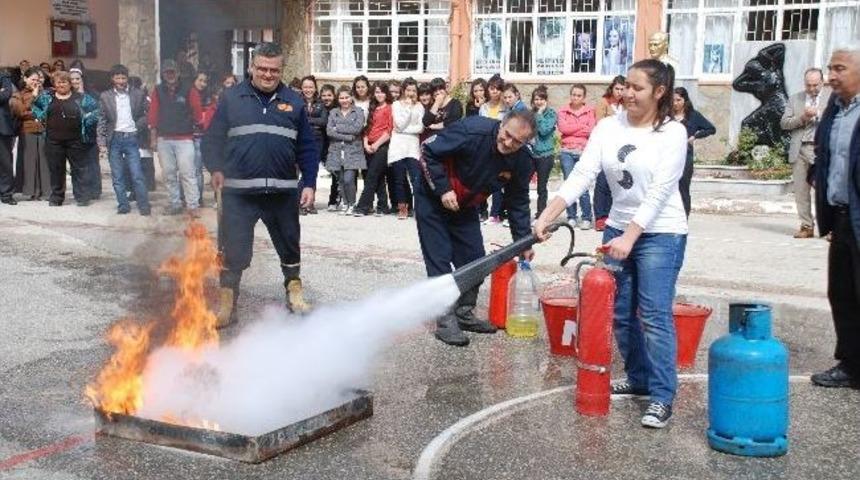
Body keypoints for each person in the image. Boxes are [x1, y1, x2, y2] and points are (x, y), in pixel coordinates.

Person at [535, 59, 688, 429]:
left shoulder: (672, 134)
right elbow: (582, 175)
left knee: (653, 314)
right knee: (621, 313)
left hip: (661, 233)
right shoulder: (607, 126)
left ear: (659, 92)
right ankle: (637, 378)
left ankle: (662, 395)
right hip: (617, 229)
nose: (627, 93)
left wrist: (630, 237)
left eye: (637, 87)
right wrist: (546, 213)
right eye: (625, 86)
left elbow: (659, 192)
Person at [203, 42, 318, 324]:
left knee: (289, 245)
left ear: (281, 70)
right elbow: (213, 139)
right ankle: (228, 302)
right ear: (252, 67)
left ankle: (294, 292)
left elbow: (307, 146)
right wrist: (215, 168)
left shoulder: (295, 101)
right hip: (239, 194)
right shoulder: (231, 98)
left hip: (282, 192)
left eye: (274, 70)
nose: (268, 75)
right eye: (262, 69)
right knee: (233, 249)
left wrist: (309, 182)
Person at [418, 111, 537, 346]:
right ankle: (445, 320)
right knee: (439, 258)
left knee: (475, 259)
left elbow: (518, 201)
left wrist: (524, 241)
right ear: (501, 125)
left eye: (517, 142)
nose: (508, 143)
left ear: (526, 142)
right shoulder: (473, 130)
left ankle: (463, 312)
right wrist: (442, 188)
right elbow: (427, 150)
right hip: (433, 197)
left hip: (465, 204)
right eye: (506, 135)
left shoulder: (522, 160)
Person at [810, 47, 860, 389]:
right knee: (841, 292)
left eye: (839, 68)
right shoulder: (835, 109)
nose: (832, 75)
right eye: (830, 68)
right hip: (842, 218)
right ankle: (851, 364)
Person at [32, 70, 99, 207]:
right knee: (56, 170)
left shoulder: (81, 97)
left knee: (79, 169)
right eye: (58, 82)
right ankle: (56, 197)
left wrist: (87, 120)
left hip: (76, 140)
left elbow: (97, 110)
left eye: (64, 82)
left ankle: (81, 197)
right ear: (54, 84)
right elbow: (35, 106)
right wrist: (40, 117)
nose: (61, 84)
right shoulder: (47, 97)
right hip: (53, 141)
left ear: (70, 84)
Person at [781, 68, 830, 238]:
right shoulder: (795, 99)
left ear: (822, 82)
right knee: (801, 191)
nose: (812, 89)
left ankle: (830, 228)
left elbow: (839, 118)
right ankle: (806, 226)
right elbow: (784, 123)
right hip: (800, 149)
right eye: (808, 85)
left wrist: (819, 113)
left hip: (822, 149)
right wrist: (802, 118)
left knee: (824, 190)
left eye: (815, 85)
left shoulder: (832, 97)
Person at [97, 64, 151, 216]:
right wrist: (101, 143)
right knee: (117, 175)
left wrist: (137, 125)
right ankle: (123, 204)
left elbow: (148, 113)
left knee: (137, 174)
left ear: (127, 79)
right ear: (112, 79)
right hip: (114, 138)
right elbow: (101, 120)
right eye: (117, 77)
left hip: (131, 137)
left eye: (123, 77)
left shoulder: (137, 94)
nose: (121, 80)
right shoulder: (105, 96)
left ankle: (143, 204)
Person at [148, 59, 200, 216]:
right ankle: (174, 203)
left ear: (178, 73)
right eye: (167, 72)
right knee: (169, 174)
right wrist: (153, 138)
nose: (170, 75)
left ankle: (192, 205)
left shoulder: (188, 90)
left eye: (173, 72)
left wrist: (197, 128)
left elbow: (197, 112)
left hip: (184, 139)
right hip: (164, 139)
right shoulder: (157, 91)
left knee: (188, 173)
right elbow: (153, 115)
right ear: (163, 74)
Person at [557, 83, 596, 228]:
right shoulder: (563, 111)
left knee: (583, 184)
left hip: (583, 151)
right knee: (569, 183)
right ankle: (571, 216)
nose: (575, 98)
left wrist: (572, 129)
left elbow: (591, 130)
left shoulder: (589, 111)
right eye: (573, 94)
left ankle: (586, 217)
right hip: (567, 151)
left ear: (584, 97)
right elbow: (563, 128)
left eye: (579, 95)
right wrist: (581, 127)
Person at [672, 87, 716, 218]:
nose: (675, 103)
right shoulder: (668, 115)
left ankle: (684, 217)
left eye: (678, 100)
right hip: (669, 155)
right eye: (673, 100)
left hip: (686, 156)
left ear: (685, 100)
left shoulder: (693, 115)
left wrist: (695, 136)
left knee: (683, 187)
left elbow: (711, 129)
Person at [10, 67, 50, 200]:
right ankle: (31, 191)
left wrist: (33, 113)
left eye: (38, 80)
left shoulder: (46, 93)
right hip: (27, 130)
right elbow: (20, 112)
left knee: (44, 161)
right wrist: (33, 96)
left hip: (44, 129)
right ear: (25, 79)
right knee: (30, 161)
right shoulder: (19, 94)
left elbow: (48, 110)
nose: (35, 82)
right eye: (33, 79)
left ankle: (46, 192)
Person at [326, 85, 366, 215]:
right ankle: (345, 203)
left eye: (347, 97)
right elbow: (329, 131)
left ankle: (352, 203)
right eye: (341, 98)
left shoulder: (358, 111)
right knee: (341, 180)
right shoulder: (333, 112)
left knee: (349, 179)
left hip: (352, 150)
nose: (344, 100)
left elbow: (357, 129)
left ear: (351, 98)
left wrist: (338, 128)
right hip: (336, 150)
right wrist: (348, 136)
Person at [593, 75, 627, 230]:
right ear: (612, 88)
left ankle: (613, 215)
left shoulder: (627, 105)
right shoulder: (603, 103)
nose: (619, 92)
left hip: (622, 148)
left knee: (617, 181)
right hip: (606, 145)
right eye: (617, 89)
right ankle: (600, 216)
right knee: (602, 182)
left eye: (622, 89)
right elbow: (600, 123)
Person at [355, 81, 393, 217]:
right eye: (377, 92)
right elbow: (367, 128)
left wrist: (376, 144)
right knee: (378, 177)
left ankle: (362, 207)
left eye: (382, 91)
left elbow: (389, 130)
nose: (380, 94)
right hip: (368, 145)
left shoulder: (390, 108)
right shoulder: (372, 107)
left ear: (386, 93)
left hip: (382, 146)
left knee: (372, 176)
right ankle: (383, 206)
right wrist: (366, 144)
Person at [389, 78, 425, 220]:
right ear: (404, 90)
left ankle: (419, 208)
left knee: (416, 178)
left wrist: (403, 130)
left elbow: (420, 128)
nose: (411, 93)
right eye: (408, 90)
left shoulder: (420, 106)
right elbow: (399, 123)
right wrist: (408, 108)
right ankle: (402, 208)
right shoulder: (396, 105)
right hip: (398, 146)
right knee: (399, 179)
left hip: (412, 146)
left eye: (413, 90)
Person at [69, 67, 102, 200]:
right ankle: (83, 191)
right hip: (73, 135)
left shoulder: (92, 94)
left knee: (93, 163)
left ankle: (95, 190)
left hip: (90, 134)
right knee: (79, 165)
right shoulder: (67, 94)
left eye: (77, 79)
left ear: (82, 79)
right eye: (72, 79)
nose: (75, 81)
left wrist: (82, 93)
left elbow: (97, 112)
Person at [300, 75, 328, 215]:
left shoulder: (321, 103)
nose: (308, 89)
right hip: (301, 140)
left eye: (310, 87)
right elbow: (297, 120)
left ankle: (309, 202)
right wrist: (312, 121)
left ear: (315, 88)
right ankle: (300, 202)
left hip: (317, 140)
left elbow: (323, 121)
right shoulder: (297, 102)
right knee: (302, 171)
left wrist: (306, 120)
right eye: (305, 87)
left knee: (313, 170)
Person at [531, 86, 557, 219]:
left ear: (546, 100)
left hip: (545, 155)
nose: (538, 101)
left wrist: (540, 114)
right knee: (523, 184)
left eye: (541, 99)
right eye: (536, 99)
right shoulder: (531, 113)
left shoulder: (551, 114)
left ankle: (541, 213)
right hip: (531, 153)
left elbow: (544, 131)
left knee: (541, 186)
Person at [189, 71, 213, 206]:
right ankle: (186, 197)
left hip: (201, 137)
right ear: (194, 80)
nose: (203, 84)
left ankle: (198, 198)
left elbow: (207, 118)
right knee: (186, 170)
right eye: (200, 80)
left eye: (205, 81)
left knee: (197, 170)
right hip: (186, 136)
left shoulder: (208, 98)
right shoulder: (187, 95)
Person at [319, 83, 340, 211]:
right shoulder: (318, 107)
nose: (326, 98)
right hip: (321, 144)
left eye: (329, 95)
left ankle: (334, 200)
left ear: (334, 96)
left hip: (334, 144)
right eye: (324, 95)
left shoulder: (337, 109)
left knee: (336, 173)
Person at [0, 68, 17, 205]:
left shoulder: (4, 76)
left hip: (2, 127)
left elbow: (5, 95)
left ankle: (6, 194)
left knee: (5, 162)